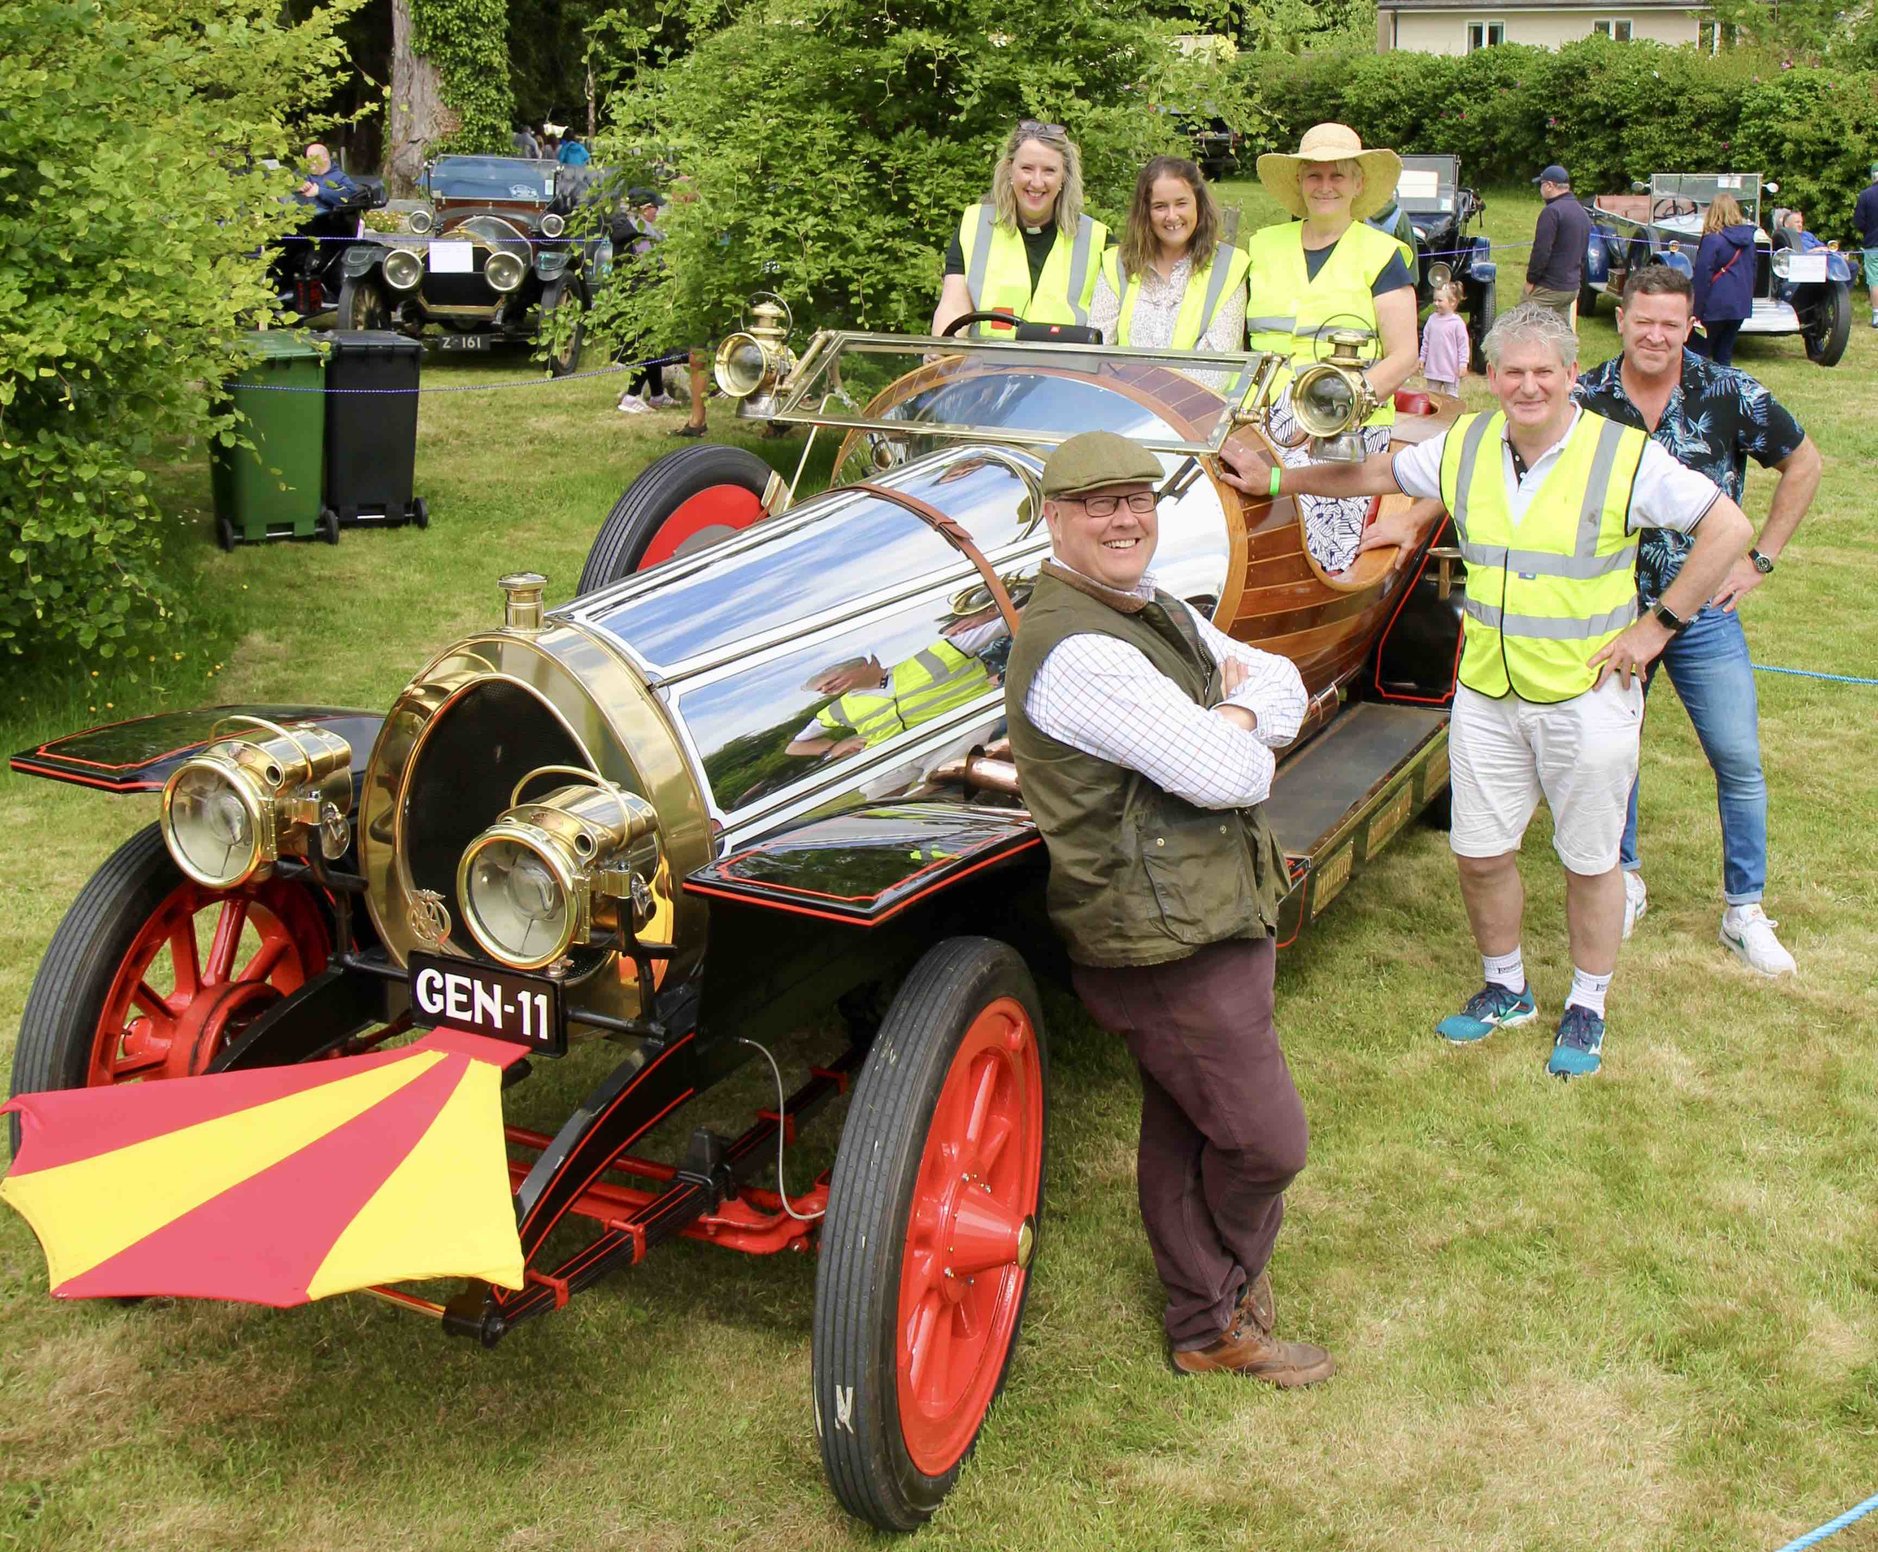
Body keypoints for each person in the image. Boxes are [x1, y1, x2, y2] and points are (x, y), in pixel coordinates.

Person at [1219, 305, 1752, 1080]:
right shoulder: (1465, 444)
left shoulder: (1622, 456)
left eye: (1545, 372)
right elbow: (1372, 473)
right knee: (1479, 854)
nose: (1528, 386)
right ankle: (1506, 990)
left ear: (1572, 376)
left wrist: (1657, 627)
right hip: (1488, 691)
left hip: (1586, 694)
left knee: (1590, 860)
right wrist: (1275, 478)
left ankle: (1588, 1002)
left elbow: (1728, 528)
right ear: (1490, 377)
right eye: (1513, 371)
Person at [1004, 430, 1330, 1383]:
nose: (1123, 518)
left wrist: (1234, 713)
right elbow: (1228, 770)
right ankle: (1221, 1299)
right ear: (1056, 521)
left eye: (1137, 500)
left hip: (1205, 911)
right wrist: (1234, 727)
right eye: (1097, 505)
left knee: (1190, 1125)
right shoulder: (1073, 651)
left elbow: (1281, 681)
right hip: (1159, 938)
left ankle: (1207, 1316)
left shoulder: (1151, 609)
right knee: (1268, 1143)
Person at [1573, 265, 1821, 974]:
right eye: (1641, 319)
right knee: (1613, 754)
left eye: (1669, 323)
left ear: (1691, 326)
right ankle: (1621, 879)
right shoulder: (1583, 397)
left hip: (1701, 613)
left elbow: (1803, 464)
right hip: (1608, 610)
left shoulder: (1730, 393)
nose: (1654, 334)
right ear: (1620, 320)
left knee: (1737, 758)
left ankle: (1745, 909)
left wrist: (1761, 559)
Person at [1243, 122, 1419, 575]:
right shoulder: (1261, 247)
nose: (1325, 186)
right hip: (1258, 420)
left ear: (1358, 184)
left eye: (1337, 175)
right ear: (1299, 183)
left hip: (1344, 429)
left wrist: (1333, 410)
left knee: (1321, 547)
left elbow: (1404, 356)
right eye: (1314, 175)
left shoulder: (1383, 254)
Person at [933, 121, 1109, 339]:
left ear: (1064, 176)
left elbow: (1107, 328)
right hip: (985, 368)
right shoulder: (974, 225)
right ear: (1009, 169)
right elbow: (954, 307)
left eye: (1049, 171)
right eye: (1027, 168)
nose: (1036, 182)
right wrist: (941, 351)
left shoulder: (1098, 239)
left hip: (1064, 371)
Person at [1091, 156, 1248, 351]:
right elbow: (1098, 350)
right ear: (1145, 212)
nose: (1172, 216)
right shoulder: (1116, 263)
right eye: (1160, 206)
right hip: (1119, 382)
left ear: (1198, 204)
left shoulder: (1230, 266)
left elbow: (1218, 364)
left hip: (1197, 383)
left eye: (1181, 203)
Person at [617, 190, 677, 413]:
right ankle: (632, 396)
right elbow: (648, 264)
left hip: (645, 292)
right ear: (644, 208)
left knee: (654, 343)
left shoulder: (644, 229)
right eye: (654, 207)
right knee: (647, 344)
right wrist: (670, 271)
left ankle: (657, 394)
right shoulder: (640, 233)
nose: (657, 211)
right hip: (642, 293)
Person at [1691, 193, 1757, 367]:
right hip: (1739, 306)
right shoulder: (1750, 241)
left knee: (1699, 354)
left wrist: (1695, 310)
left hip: (1715, 304)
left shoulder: (1712, 240)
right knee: (1724, 354)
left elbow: (1702, 276)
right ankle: (1723, 391)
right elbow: (1753, 271)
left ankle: (1698, 391)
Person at [1524, 164, 1590, 324]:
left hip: (1550, 287)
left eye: (1541, 184)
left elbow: (1541, 250)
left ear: (1549, 186)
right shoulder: (1581, 211)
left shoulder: (1552, 212)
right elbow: (1583, 253)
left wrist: (1531, 280)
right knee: (1558, 332)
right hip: (1572, 287)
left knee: (1523, 325)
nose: (1540, 189)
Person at [1419, 280, 1470, 396]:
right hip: (1433, 369)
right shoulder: (1432, 320)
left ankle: (1452, 415)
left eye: (1440, 300)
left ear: (1453, 302)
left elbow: (1463, 346)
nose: (1436, 303)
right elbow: (1425, 341)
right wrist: (1422, 358)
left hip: (1451, 371)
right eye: (1434, 300)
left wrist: (1463, 364)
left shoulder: (1457, 323)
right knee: (1432, 397)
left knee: (1451, 398)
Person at [296, 143, 360, 212]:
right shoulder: (304, 173)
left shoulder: (339, 177)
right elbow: (288, 184)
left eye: (312, 157)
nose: (308, 162)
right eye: (307, 158)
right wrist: (298, 186)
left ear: (324, 158)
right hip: (301, 213)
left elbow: (349, 197)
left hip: (327, 216)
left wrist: (319, 191)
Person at [1852, 161, 1878, 327]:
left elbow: (1859, 222)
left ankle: (1877, 316)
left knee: (1875, 280)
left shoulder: (1866, 195)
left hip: (1873, 243)